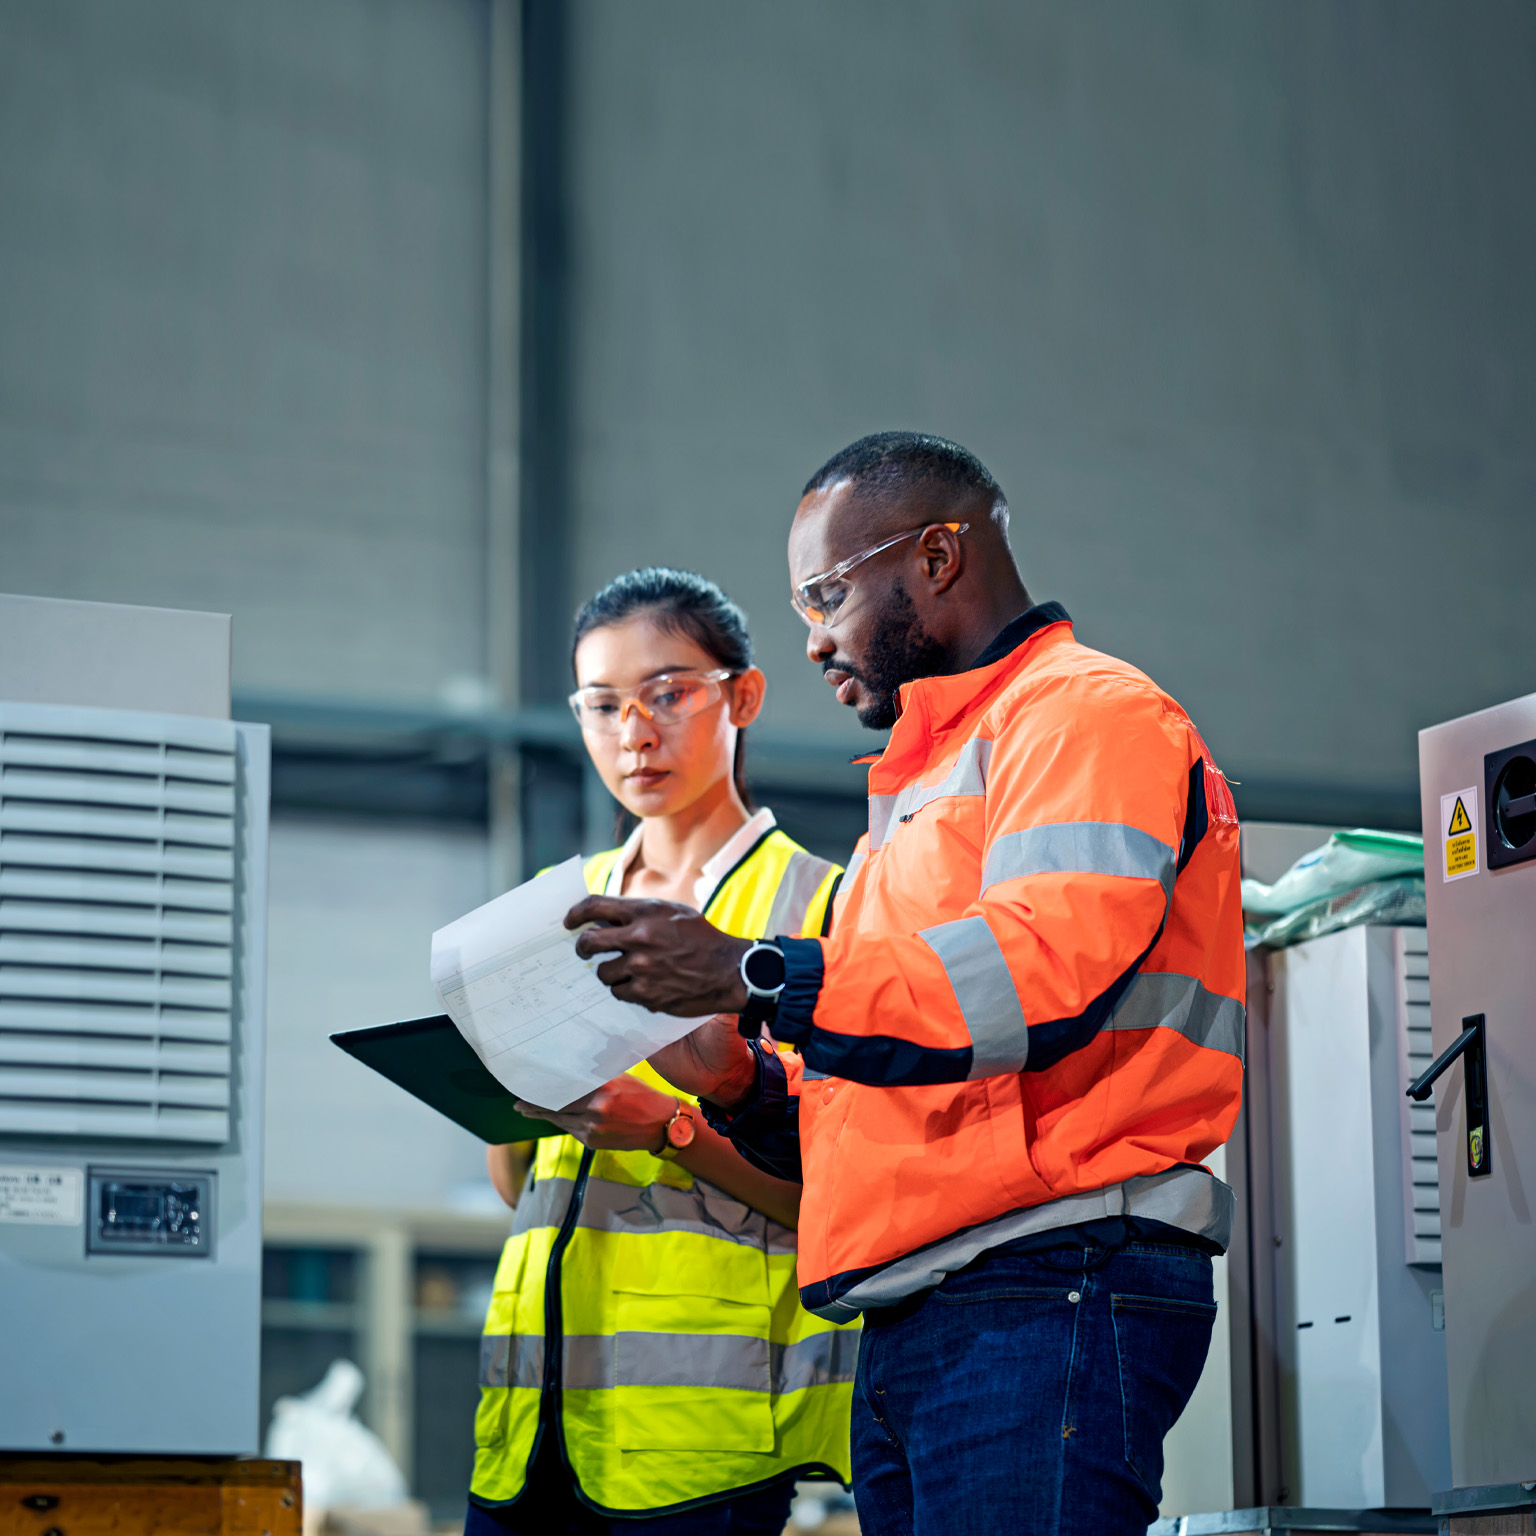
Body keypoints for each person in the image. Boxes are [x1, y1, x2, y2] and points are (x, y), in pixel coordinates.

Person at [564, 435, 1247, 1536]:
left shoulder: (1082, 716)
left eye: (828, 591)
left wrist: (751, 970)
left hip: (1049, 1276)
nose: (814, 633)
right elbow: (904, 1075)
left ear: (936, 556)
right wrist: (738, 1080)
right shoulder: (925, 784)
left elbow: (1036, 974)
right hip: (932, 1305)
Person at [466, 568, 860, 1536]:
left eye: (667, 693)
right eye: (601, 705)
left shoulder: (819, 911)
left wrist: (675, 1129)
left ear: (745, 696)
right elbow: (520, 1187)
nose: (633, 731)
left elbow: (845, 1204)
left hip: (699, 1436)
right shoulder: (553, 909)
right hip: (530, 1430)